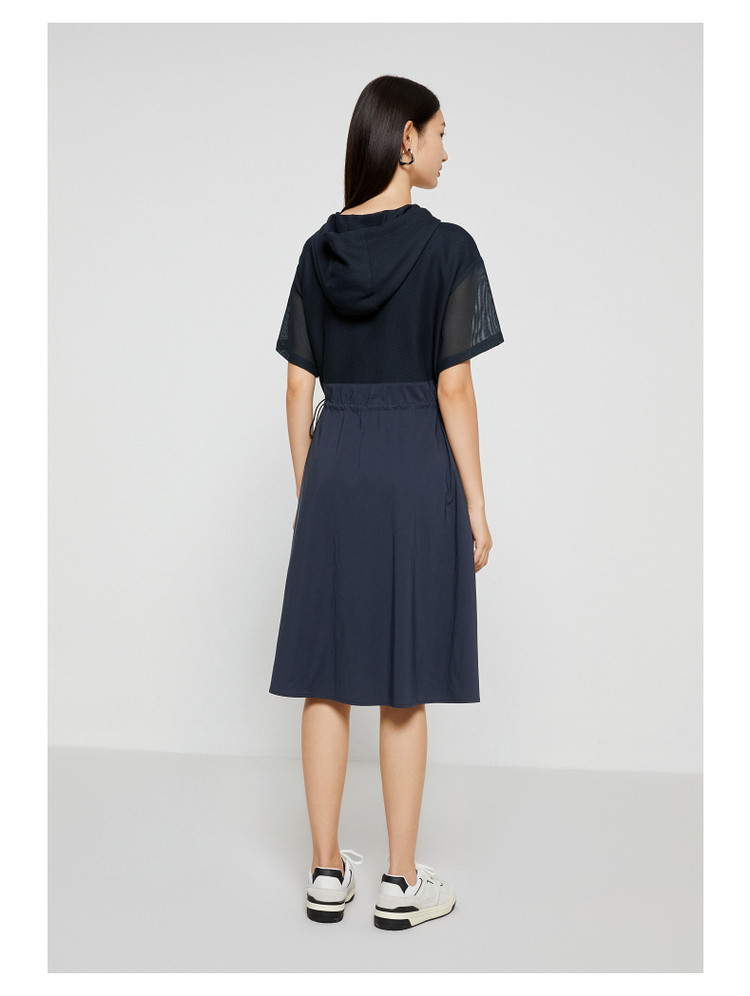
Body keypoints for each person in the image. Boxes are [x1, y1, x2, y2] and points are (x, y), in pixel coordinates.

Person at [269, 75, 504, 929]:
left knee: (326, 675)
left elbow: (298, 390)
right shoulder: (450, 249)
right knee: (405, 677)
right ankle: (400, 884)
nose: (446, 149)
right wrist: (476, 504)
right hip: (413, 464)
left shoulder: (318, 250)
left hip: (337, 461)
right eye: (439, 132)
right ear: (405, 139)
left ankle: (327, 871)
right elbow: (454, 388)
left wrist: (315, 494)